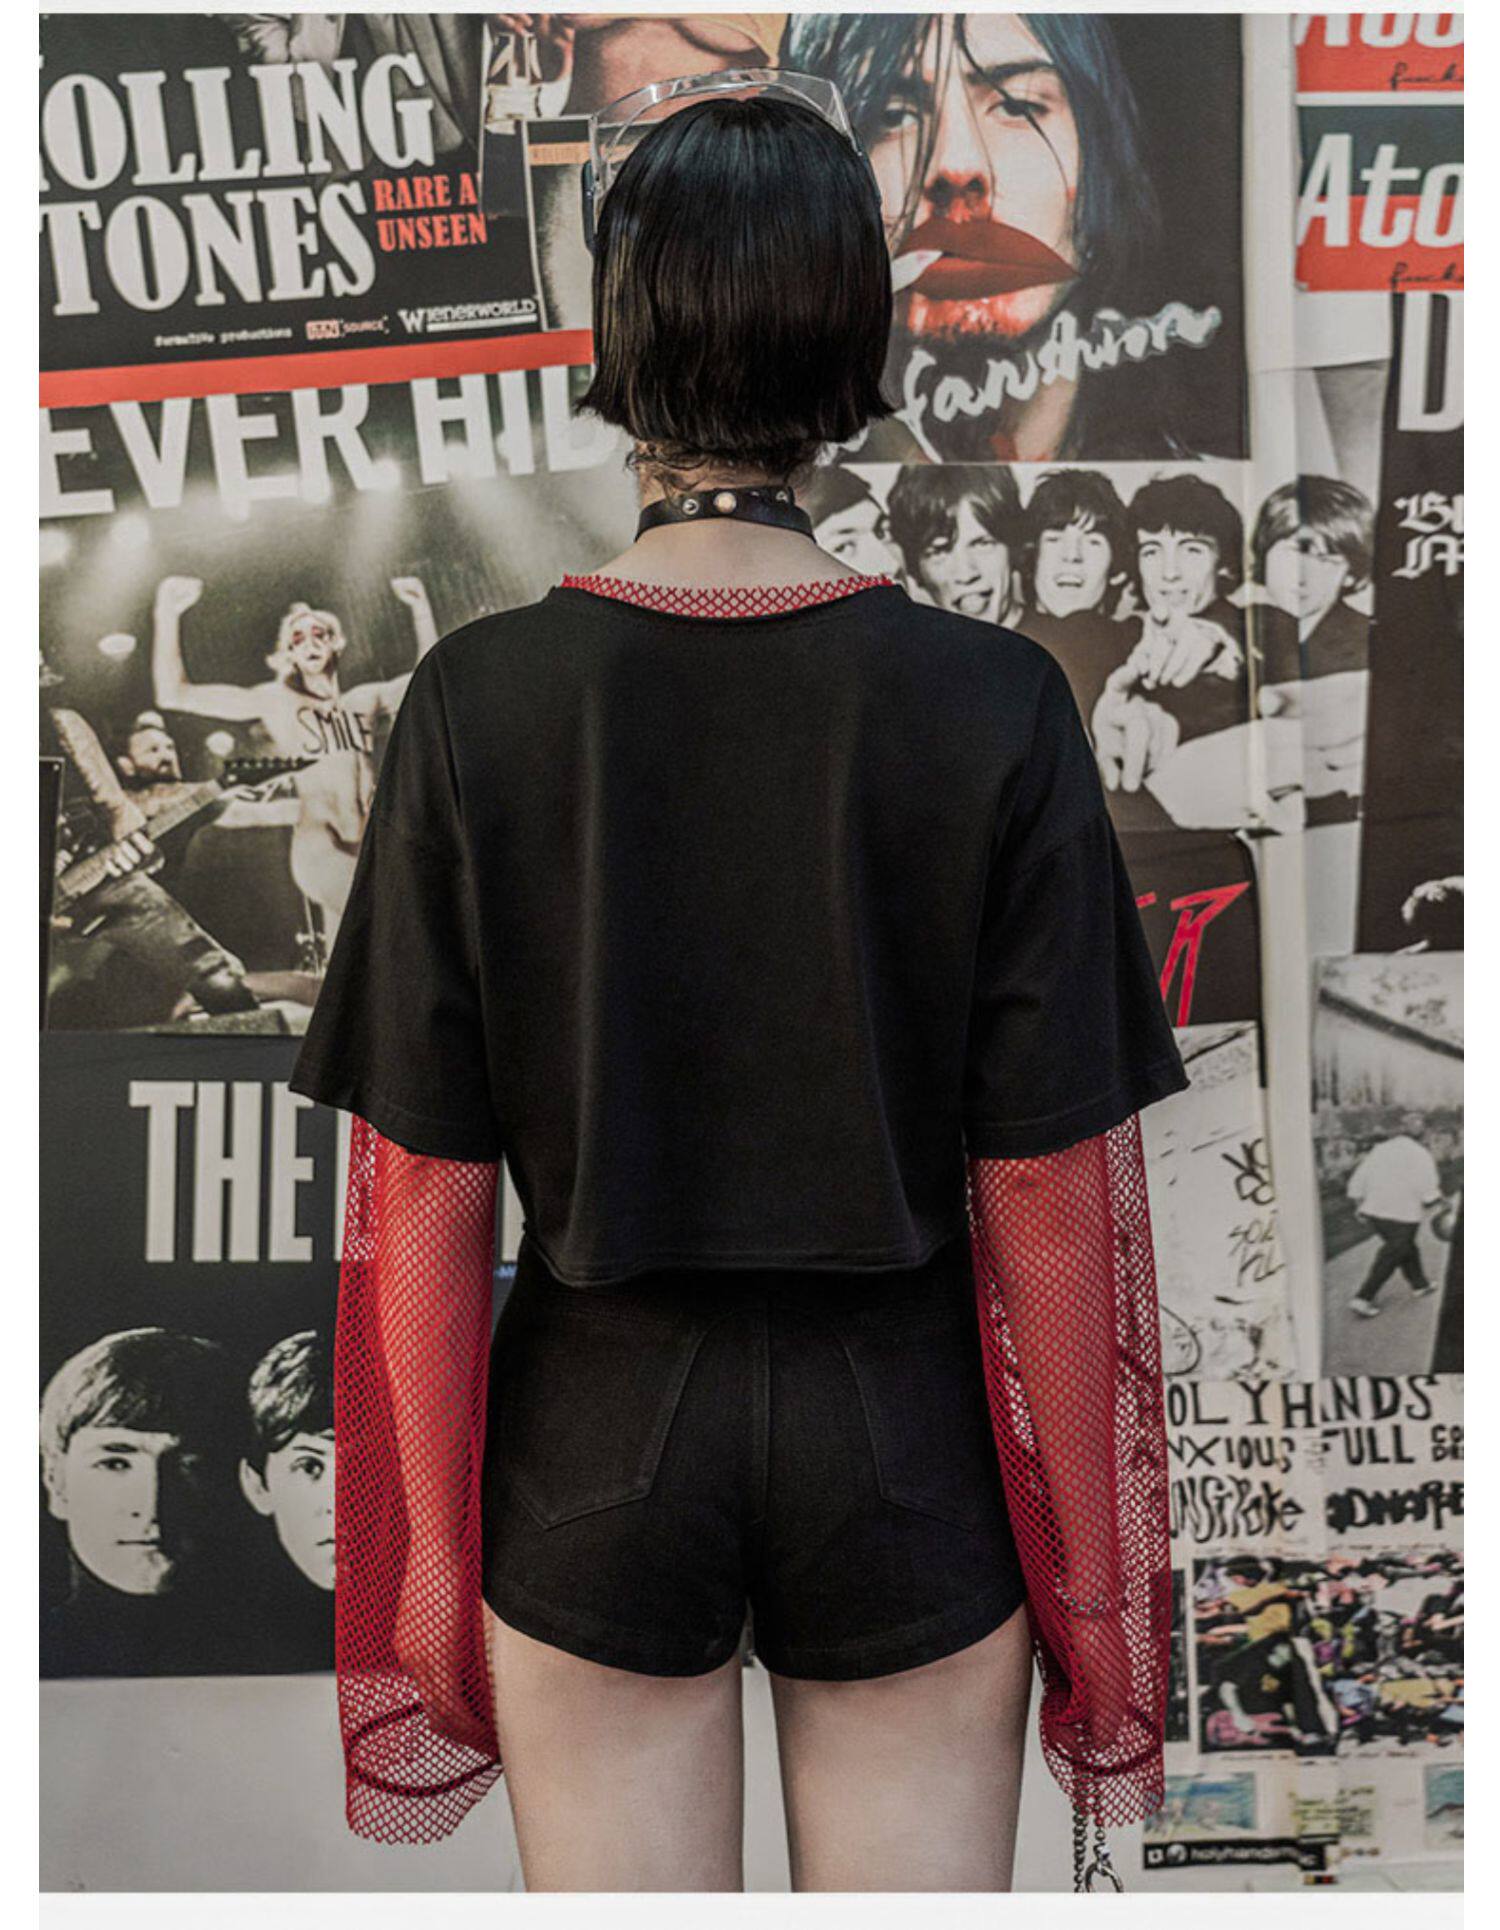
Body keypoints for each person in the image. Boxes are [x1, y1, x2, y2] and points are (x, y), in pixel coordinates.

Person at [289, 81, 1190, 1890]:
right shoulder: (997, 702)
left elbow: (424, 1193)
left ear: (620, 334)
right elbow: (1050, 1190)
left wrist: (424, 1568)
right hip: (906, 1435)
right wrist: (1101, 1589)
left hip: (595, 1431)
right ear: (856, 342)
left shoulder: (476, 703)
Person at [1345, 1113, 1447, 1317]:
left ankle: (1420, 1285)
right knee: (1393, 1252)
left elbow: (1358, 1179)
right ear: (1423, 1133)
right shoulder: (1421, 1154)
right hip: (1403, 1214)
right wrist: (1441, 1202)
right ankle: (1363, 1297)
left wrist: (1359, 1204)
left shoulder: (1381, 1149)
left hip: (1375, 1212)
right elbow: (1427, 1190)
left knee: (1404, 1247)